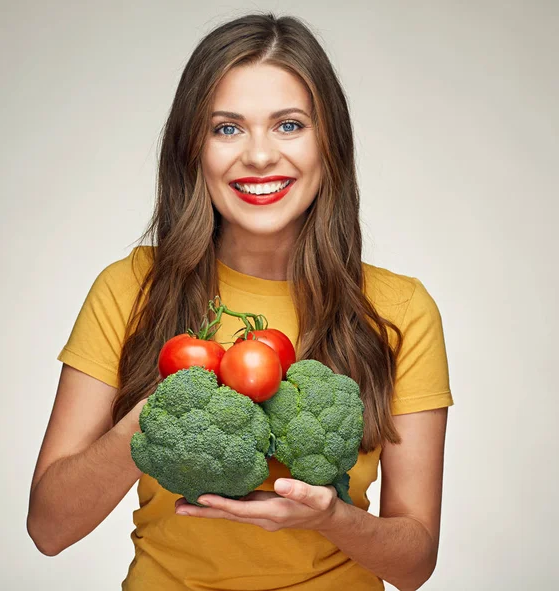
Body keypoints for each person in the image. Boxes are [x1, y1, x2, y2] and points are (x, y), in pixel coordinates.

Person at [27, 12, 453, 591]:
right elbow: (49, 529)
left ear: (329, 142)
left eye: (289, 125)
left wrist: (333, 517)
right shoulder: (131, 289)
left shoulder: (398, 309)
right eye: (227, 128)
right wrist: (159, 416)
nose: (258, 156)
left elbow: (415, 563)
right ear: (192, 147)